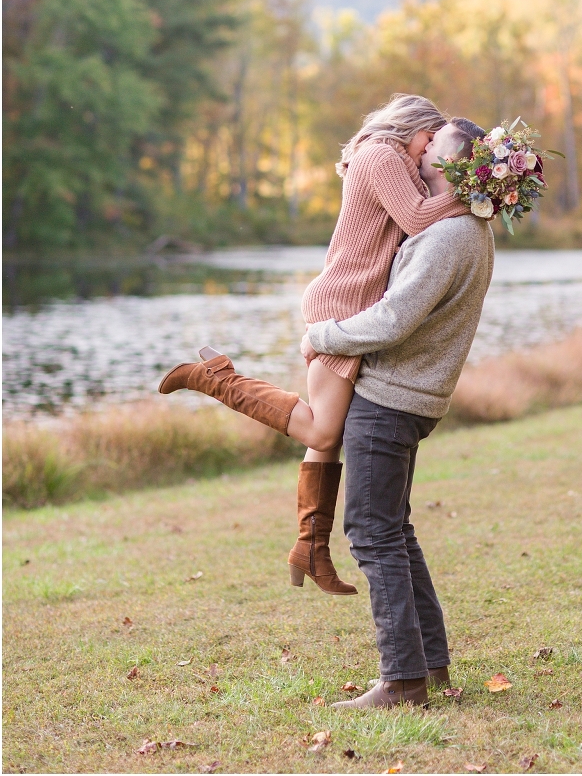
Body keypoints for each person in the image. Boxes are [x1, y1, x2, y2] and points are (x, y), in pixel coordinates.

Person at [157, 95, 469, 595]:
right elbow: (416, 219)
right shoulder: (380, 155)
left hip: (357, 308)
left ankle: (311, 547)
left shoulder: (396, 161)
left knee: (325, 432)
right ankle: (216, 378)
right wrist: (478, 195)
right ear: (410, 126)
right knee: (323, 432)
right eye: (429, 137)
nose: (430, 147)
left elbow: (419, 214)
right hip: (341, 302)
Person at [302, 117, 494, 709]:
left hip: (390, 399)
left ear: (450, 164)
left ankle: (402, 681)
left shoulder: (448, 237)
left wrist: (323, 333)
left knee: (372, 532)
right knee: (395, 530)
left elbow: (392, 320)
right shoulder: (467, 230)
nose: (421, 146)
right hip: (411, 397)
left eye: (433, 143)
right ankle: (429, 666)